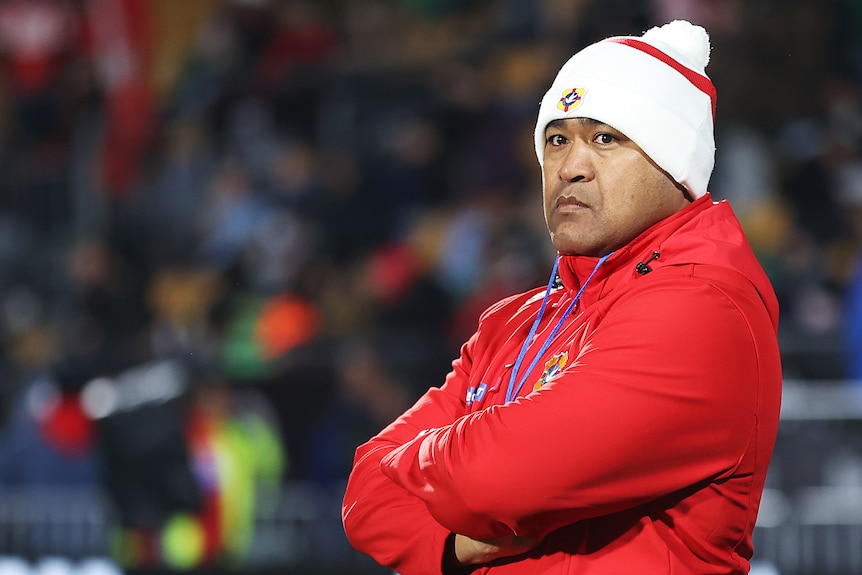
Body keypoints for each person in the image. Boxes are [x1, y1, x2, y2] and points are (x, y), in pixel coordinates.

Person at [341, 20, 782, 575]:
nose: (570, 167)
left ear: (673, 164)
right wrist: (451, 545)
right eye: (556, 140)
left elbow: (494, 479)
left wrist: (423, 464)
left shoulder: (705, 306)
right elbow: (364, 494)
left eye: (605, 138)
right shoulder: (513, 323)